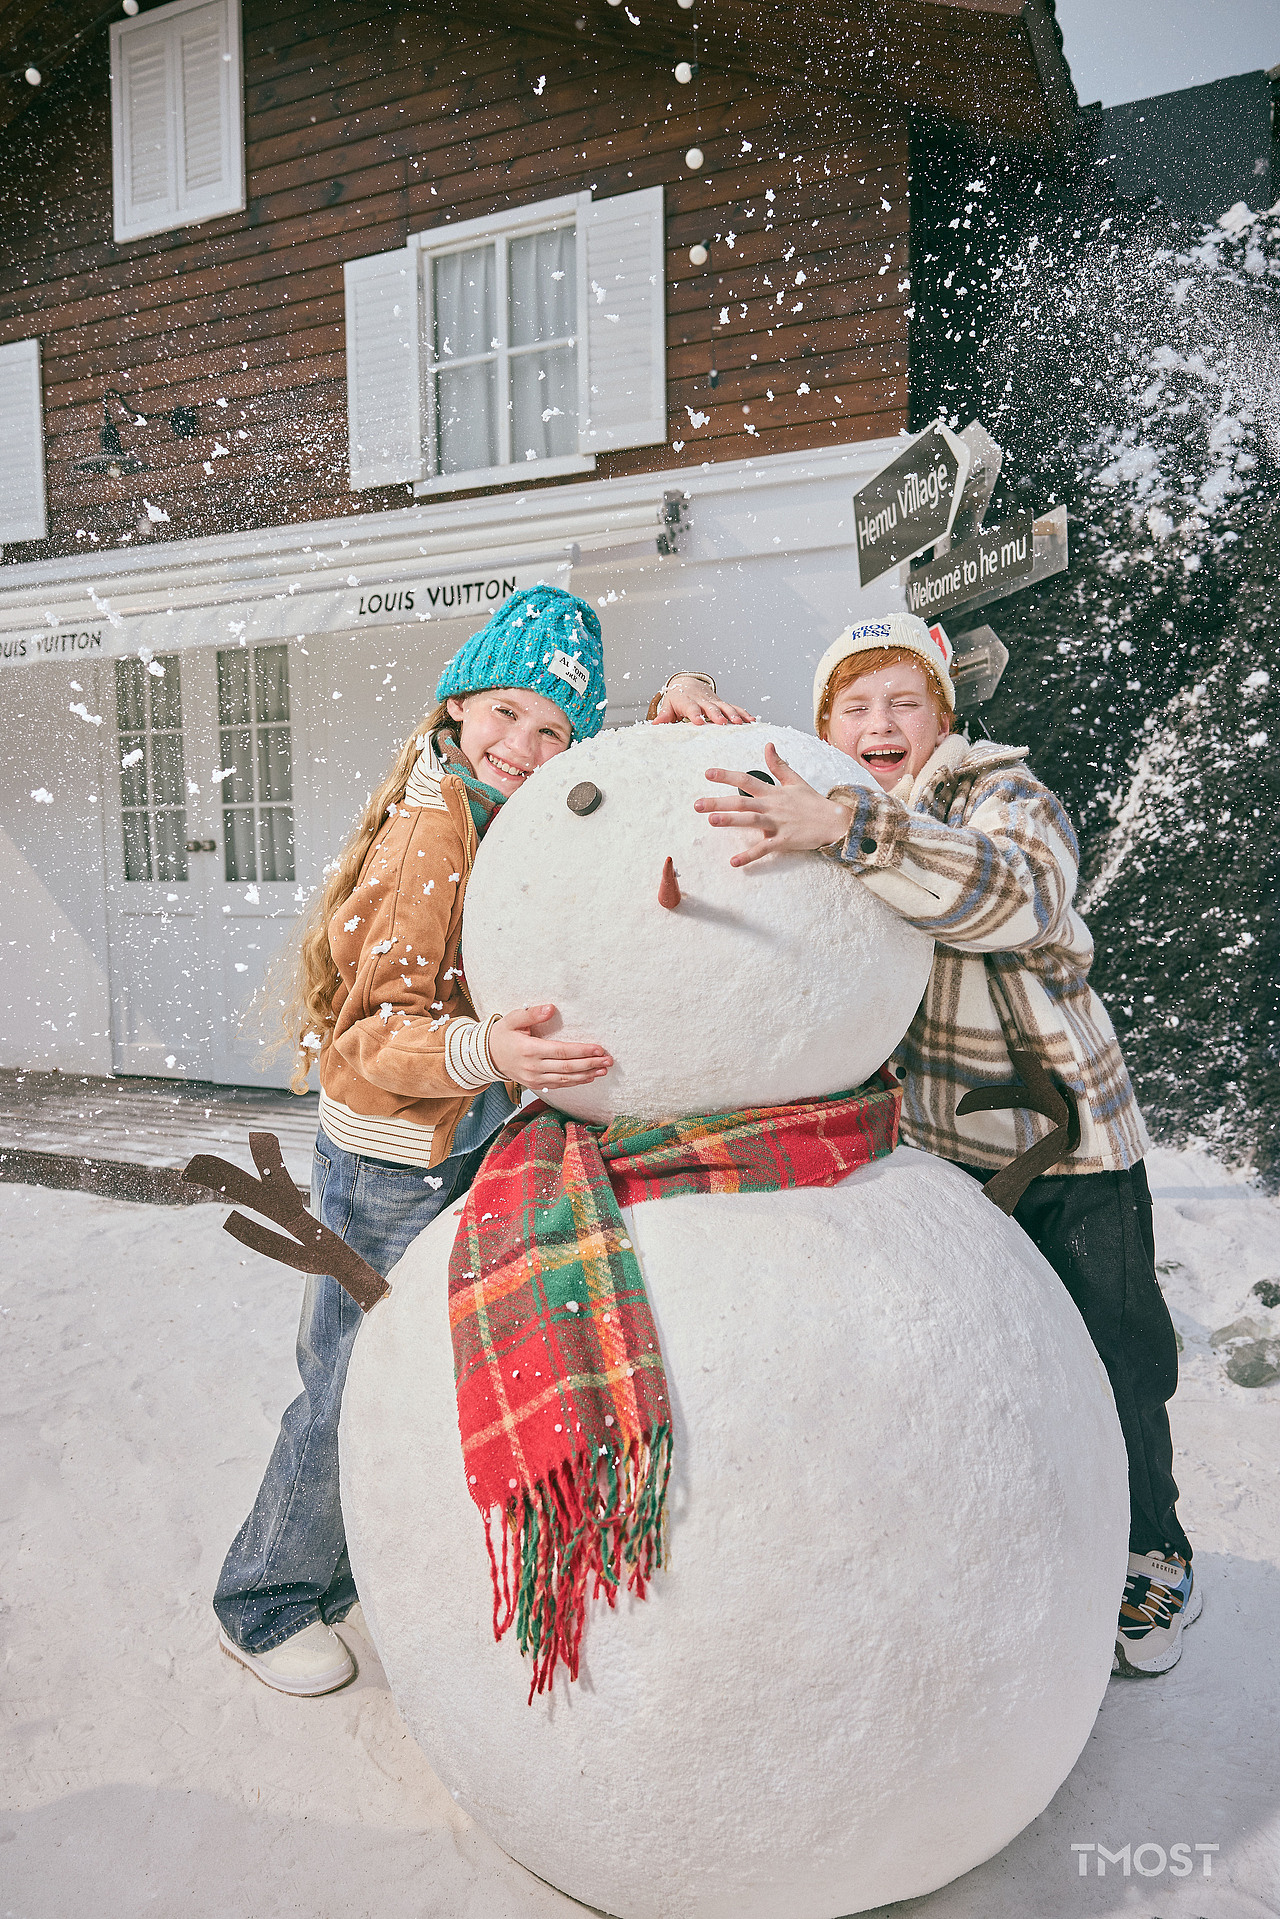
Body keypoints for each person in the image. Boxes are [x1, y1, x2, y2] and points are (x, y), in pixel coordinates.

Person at [669, 613, 1198, 1678]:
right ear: (824, 725)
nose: (879, 722)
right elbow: (719, 838)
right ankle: (1038, 1542)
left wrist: (854, 829)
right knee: (992, 1367)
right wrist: (678, 708)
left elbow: (1018, 893)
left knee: (1113, 1359)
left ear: (942, 719)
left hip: (1070, 1148)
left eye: (902, 701)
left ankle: (1151, 1549)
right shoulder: (822, 806)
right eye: (853, 705)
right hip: (937, 1157)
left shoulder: (998, 795)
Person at [214, 586, 616, 1696]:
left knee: (400, 1377)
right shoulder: (433, 826)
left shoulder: (495, 807)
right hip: (391, 1154)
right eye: (504, 713)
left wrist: (678, 702)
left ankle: (329, 1563)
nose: (523, 747)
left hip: (458, 1136)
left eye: (552, 729)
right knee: (344, 1383)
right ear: (455, 706)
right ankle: (262, 1599)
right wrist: (489, 1050)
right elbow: (372, 1035)